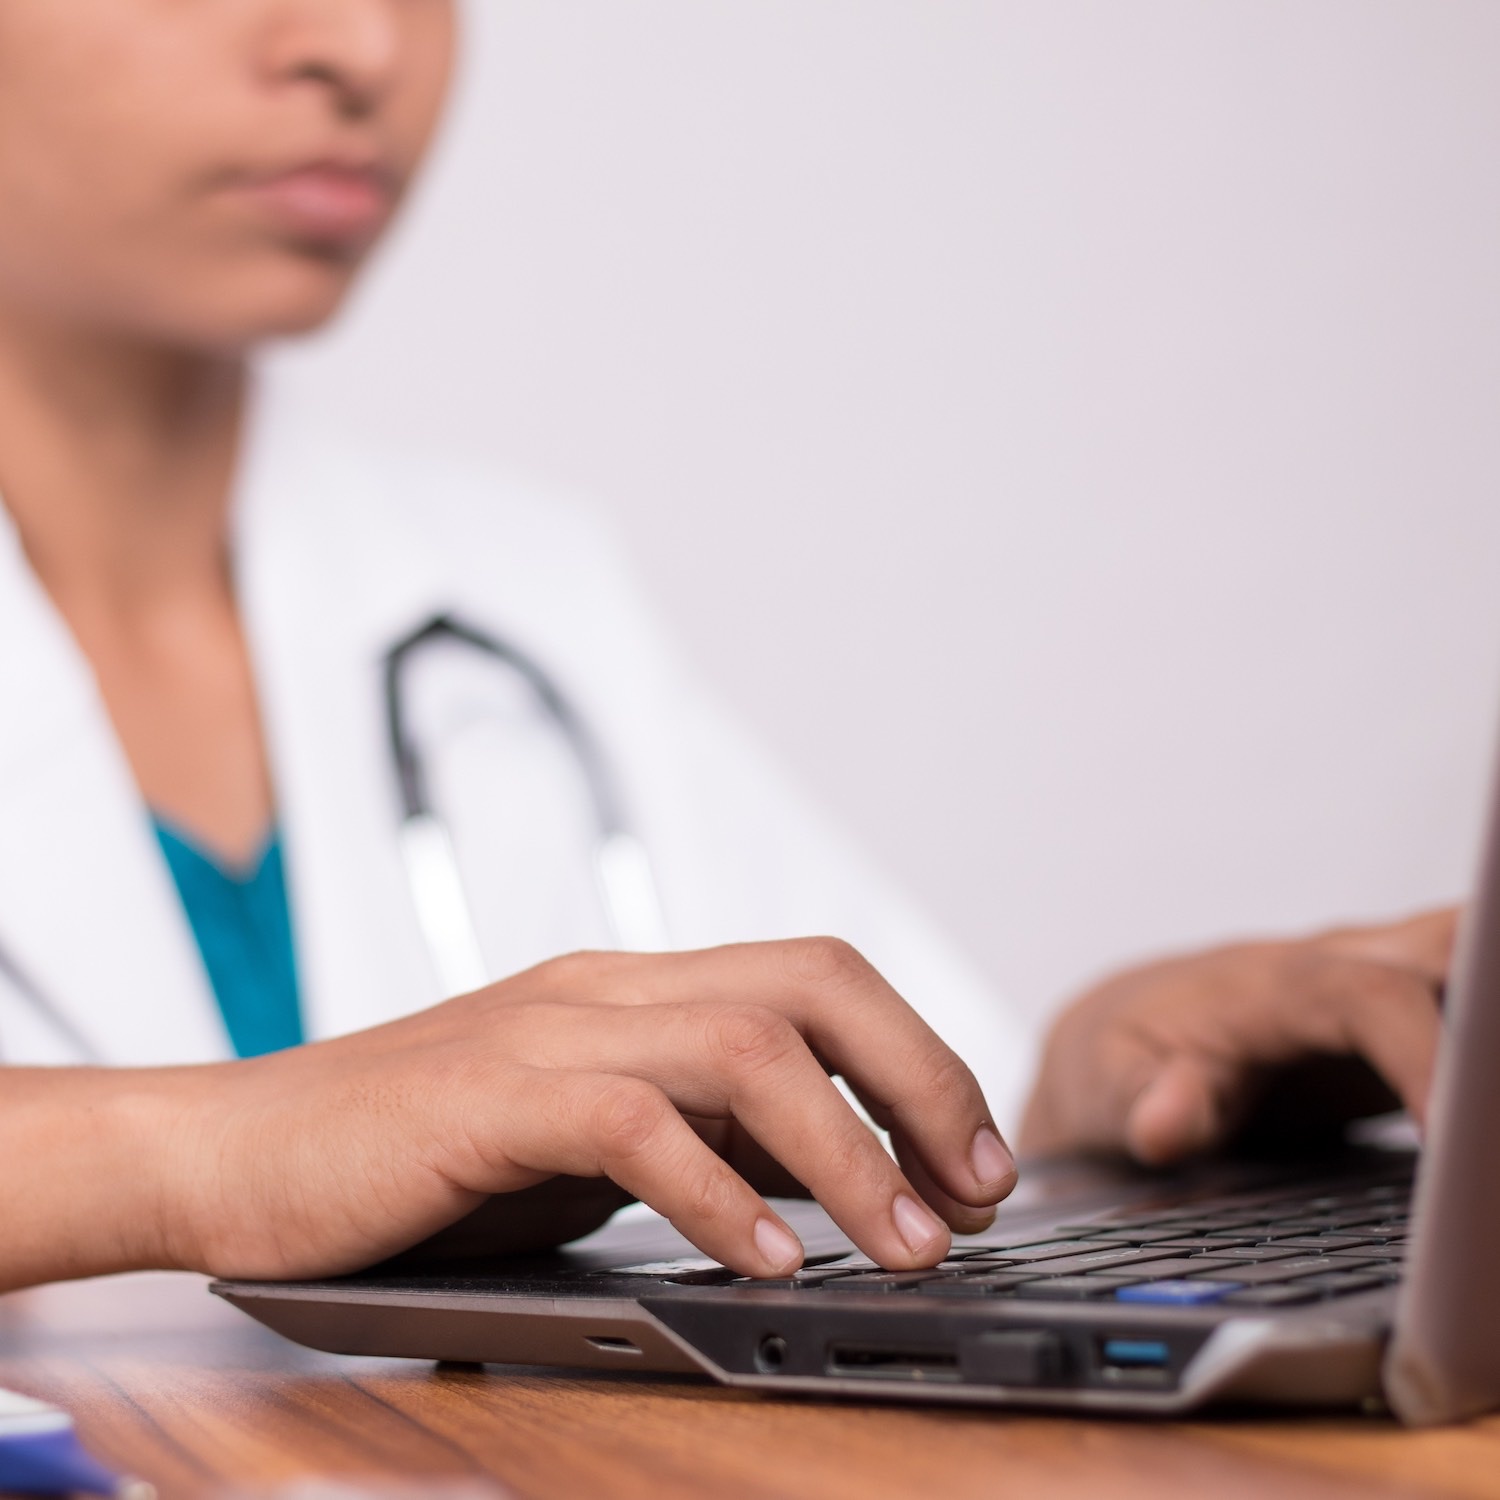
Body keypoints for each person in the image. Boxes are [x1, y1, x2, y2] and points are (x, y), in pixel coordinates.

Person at [0, 1, 1456, 1296]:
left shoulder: (515, 594)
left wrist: (1116, 1094)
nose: (363, 43)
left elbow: (876, 1107)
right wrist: (195, 1152)